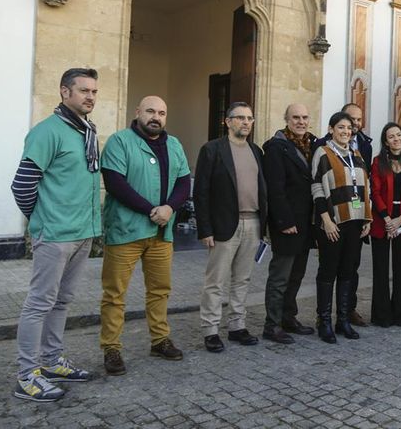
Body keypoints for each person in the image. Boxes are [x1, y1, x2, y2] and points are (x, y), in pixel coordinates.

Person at [10, 68, 101, 402]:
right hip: (56, 234)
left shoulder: (86, 131)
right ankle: (26, 375)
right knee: (39, 303)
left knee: (62, 301)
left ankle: (51, 361)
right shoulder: (47, 132)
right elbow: (22, 185)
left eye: (94, 91)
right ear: (65, 92)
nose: (90, 97)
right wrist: (42, 219)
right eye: (83, 91)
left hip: (83, 232)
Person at [98, 95, 191, 375]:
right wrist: (152, 209)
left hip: (161, 233)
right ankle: (111, 348)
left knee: (160, 290)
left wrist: (169, 208)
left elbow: (184, 182)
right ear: (138, 112)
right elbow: (115, 183)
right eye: (150, 111)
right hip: (126, 231)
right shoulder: (119, 141)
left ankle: (160, 340)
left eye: (161, 112)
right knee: (115, 294)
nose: (156, 117)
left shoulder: (174, 145)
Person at [194, 102, 267, 352]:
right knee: (216, 281)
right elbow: (201, 192)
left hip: (253, 222)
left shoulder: (256, 151)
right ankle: (211, 329)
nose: (246, 122)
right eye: (240, 118)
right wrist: (205, 229)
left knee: (243, 279)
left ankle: (237, 325)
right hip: (224, 224)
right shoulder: (212, 150)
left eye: (250, 118)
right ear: (227, 122)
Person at [311, 112, 372, 343]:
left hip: (355, 222)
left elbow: (365, 187)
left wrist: (367, 218)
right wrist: (325, 219)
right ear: (331, 129)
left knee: (348, 271)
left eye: (349, 128)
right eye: (341, 127)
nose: (346, 131)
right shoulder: (323, 152)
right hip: (332, 223)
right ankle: (324, 321)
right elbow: (316, 186)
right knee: (328, 270)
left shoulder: (356, 154)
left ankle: (342, 320)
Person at [262, 104, 318, 344]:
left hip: (306, 223)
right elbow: (274, 188)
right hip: (287, 223)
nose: (301, 121)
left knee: (297, 274)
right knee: (280, 275)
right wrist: (284, 221)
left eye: (305, 117)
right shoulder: (276, 147)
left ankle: (288, 317)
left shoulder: (313, 144)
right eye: (296, 117)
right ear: (286, 119)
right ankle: (271, 324)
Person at [369, 122, 401, 327]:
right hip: (382, 221)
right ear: (385, 141)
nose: (396, 139)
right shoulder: (378, 161)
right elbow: (375, 191)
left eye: (398, 135)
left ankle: (400, 314)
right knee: (380, 270)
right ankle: (381, 316)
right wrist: (388, 219)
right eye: (391, 136)